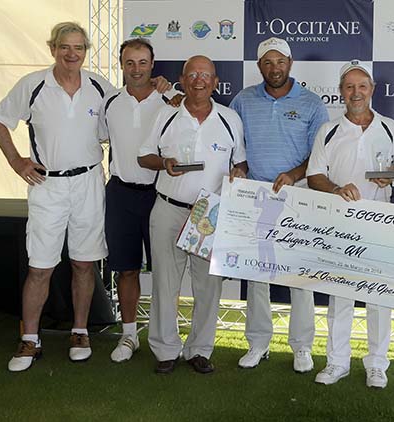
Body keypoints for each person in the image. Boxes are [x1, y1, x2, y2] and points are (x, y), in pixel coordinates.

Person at [0, 22, 113, 371]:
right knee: (40, 267)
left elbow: (129, 112)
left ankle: (80, 332)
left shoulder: (100, 87)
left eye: (78, 48)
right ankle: (29, 340)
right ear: (52, 48)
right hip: (47, 186)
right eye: (64, 47)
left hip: (89, 182)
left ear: (86, 50)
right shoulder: (33, 85)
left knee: (84, 263)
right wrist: (16, 160)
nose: (72, 54)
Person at [138, 55, 246, 374]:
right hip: (169, 208)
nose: (199, 80)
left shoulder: (230, 119)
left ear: (215, 82)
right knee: (165, 284)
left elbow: (239, 162)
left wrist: (238, 172)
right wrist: (164, 163)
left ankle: (199, 349)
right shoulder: (165, 114)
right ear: (182, 81)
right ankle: (165, 350)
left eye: (206, 75)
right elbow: (144, 157)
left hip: (209, 214)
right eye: (192, 75)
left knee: (208, 287)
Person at [307, 60, 394, 388]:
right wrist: (336, 189)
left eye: (362, 86)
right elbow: (314, 176)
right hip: (340, 224)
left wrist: (390, 174)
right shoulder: (329, 130)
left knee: (379, 298)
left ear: (372, 90)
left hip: (381, 222)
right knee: (340, 296)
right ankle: (337, 362)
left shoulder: (390, 126)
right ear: (340, 93)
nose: (356, 92)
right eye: (349, 87)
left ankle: (377, 364)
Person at [230, 37, 329, 373]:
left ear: (291, 62)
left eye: (280, 61)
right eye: (268, 63)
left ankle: (302, 346)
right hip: (256, 199)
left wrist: (294, 173)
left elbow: (320, 156)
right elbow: (235, 147)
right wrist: (240, 167)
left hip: (298, 196)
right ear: (259, 67)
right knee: (258, 275)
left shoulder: (312, 103)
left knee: (300, 275)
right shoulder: (242, 101)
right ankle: (258, 342)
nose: (275, 68)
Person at [99, 38, 172, 362]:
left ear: (152, 65)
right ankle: (129, 336)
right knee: (126, 270)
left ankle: (164, 337)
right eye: (130, 63)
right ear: (121, 65)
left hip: (160, 195)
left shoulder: (170, 99)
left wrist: (171, 92)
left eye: (143, 63)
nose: (137, 69)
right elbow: (97, 138)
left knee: (165, 272)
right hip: (120, 193)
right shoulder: (110, 102)